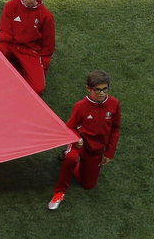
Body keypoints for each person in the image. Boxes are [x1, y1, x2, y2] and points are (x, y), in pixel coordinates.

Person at [47, 71, 122, 211]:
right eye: (97, 89)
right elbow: (69, 127)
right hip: (79, 144)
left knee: (88, 185)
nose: (101, 93)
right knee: (71, 158)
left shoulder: (114, 104)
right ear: (88, 89)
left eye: (105, 89)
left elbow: (116, 129)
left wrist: (109, 153)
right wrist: (77, 138)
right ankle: (59, 192)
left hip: (97, 148)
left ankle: (76, 165)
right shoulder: (81, 106)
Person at [0, 0, 55, 95]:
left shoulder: (46, 16)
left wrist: (42, 68)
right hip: (10, 46)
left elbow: (48, 47)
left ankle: (15, 69)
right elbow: (6, 32)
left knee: (37, 89)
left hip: (30, 53)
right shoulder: (11, 6)